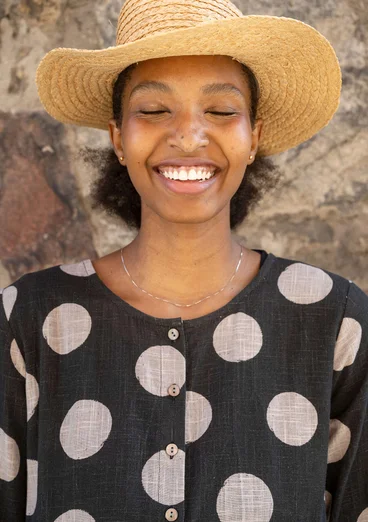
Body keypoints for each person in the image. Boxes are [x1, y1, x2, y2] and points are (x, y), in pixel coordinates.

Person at [1, 0, 367, 520]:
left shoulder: (334, 322)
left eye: (220, 111)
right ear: (117, 138)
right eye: (153, 111)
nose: (189, 136)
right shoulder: (28, 322)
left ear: (254, 137)